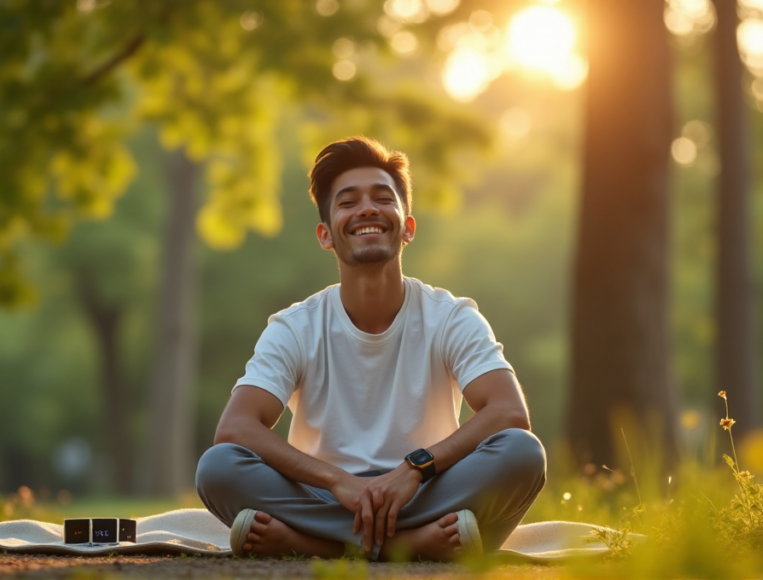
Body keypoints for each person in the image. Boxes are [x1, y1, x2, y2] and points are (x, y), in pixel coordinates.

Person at [196, 136, 545, 561]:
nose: (367, 209)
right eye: (348, 202)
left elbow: (508, 412)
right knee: (218, 467)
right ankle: (409, 546)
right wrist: (338, 481)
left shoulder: (451, 316)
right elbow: (236, 429)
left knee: (522, 452)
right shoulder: (296, 326)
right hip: (326, 497)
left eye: (383, 198)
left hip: (424, 490)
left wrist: (415, 469)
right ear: (325, 235)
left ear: (407, 227)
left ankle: (315, 545)